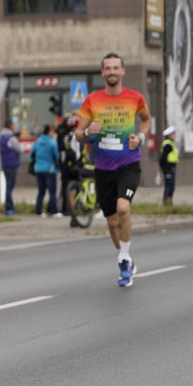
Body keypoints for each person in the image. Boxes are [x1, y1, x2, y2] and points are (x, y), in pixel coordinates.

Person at [74, 53, 151, 287]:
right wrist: (88, 132)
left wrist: (140, 136)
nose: (112, 72)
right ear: (102, 73)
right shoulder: (91, 101)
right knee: (110, 221)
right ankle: (124, 255)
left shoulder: (135, 98)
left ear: (123, 71)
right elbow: (77, 134)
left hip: (128, 164)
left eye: (116, 68)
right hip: (104, 168)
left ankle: (125, 259)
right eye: (107, 68)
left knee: (123, 207)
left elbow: (146, 120)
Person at [32, 124, 61, 217]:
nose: (53, 133)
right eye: (52, 131)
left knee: (41, 191)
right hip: (50, 169)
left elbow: (32, 154)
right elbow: (57, 156)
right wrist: (57, 166)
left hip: (38, 169)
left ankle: (38, 211)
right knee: (52, 192)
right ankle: (53, 211)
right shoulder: (52, 143)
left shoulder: (37, 141)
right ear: (49, 132)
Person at [0, 118, 21, 215]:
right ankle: (8, 208)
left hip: (5, 164)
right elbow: (19, 149)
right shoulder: (11, 138)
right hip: (12, 164)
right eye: (13, 125)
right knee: (9, 187)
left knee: (9, 186)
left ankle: (10, 207)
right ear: (10, 126)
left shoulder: (2, 137)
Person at [158, 125, 179, 205]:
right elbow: (163, 157)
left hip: (171, 167)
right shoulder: (168, 144)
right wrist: (163, 166)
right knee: (169, 185)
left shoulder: (170, 143)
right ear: (170, 135)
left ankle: (168, 201)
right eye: (174, 134)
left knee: (171, 185)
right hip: (168, 167)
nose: (175, 136)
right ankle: (166, 202)